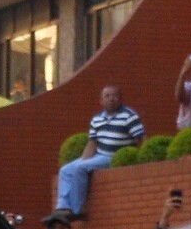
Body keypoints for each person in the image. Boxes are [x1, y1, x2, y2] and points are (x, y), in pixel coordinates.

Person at [50, 85, 145, 220]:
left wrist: (143, 158)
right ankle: (62, 207)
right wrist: (84, 160)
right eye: (107, 96)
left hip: (113, 157)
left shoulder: (129, 116)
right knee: (66, 170)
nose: (111, 99)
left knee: (79, 168)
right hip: (99, 155)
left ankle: (77, 210)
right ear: (101, 101)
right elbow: (92, 143)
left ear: (120, 98)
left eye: (114, 95)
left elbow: (141, 138)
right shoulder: (97, 119)